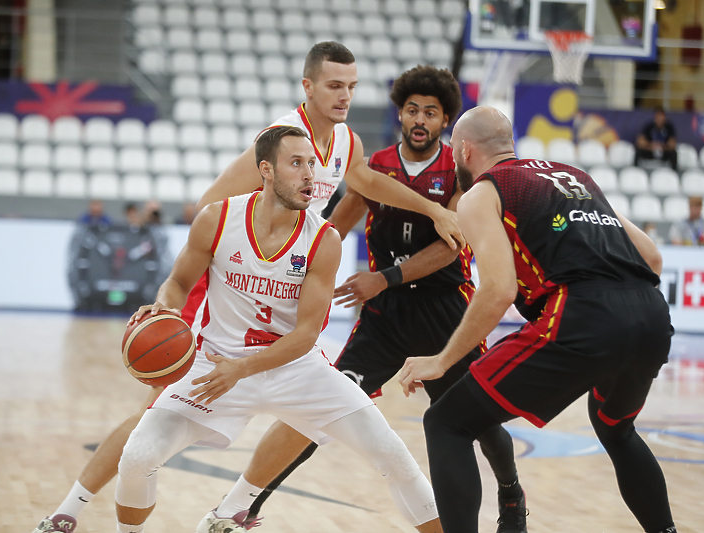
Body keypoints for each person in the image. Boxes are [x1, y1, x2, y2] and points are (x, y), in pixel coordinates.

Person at [29, 41, 462, 533]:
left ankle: (234, 508)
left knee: (315, 410)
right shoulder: (278, 139)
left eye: (352, 87)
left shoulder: (345, 142)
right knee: (153, 413)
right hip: (232, 275)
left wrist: (433, 209)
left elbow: (366, 182)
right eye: (334, 86)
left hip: (289, 279)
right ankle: (71, 506)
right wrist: (226, 279)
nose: (345, 96)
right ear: (309, 87)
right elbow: (214, 206)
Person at [218, 65, 526, 532]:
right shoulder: (375, 165)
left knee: (477, 418)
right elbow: (334, 227)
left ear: (446, 121)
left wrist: (384, 277)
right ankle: (252, 503)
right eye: (412, 110)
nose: (420, 119)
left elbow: (452, 245)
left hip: (445, 310)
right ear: (400, 114)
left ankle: (511, 495)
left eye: (431, 112)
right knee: (322, 405)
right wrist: (289, 267)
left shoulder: (458, 170)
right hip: (385, 317)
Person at [113, 126, 441, 533]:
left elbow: (306, 334)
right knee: (138, 456)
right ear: (265, 170)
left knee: (392, 454)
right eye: (297, 164)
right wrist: (165, 306)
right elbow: (179, 282)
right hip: (215, 363)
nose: (310, 175)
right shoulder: (217, 219)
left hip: (295, 368)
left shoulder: (324, 239)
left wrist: (243, 369)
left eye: (313, 165)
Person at [397, 106, 677, 533]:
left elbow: (499, 290)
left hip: (583, 313)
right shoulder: (575, 177)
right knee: (614, 427)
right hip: (652, 315)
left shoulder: (483, 193)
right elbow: (652, 257)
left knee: (446, 422)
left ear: (465, 149)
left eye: (454, 149)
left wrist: (441, 360)